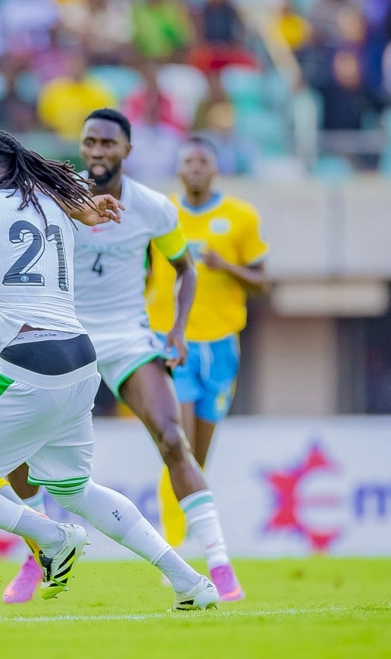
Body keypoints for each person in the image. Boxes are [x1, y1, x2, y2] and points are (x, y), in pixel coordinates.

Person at [0, 129, 218, 611]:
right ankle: (191, 582)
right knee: (74, 486)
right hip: (80, 361)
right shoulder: (50, 206)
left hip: (27, 362)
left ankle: (50, 535)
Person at [1, 109, 244, 605]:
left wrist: (176, 330)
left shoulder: (153, 207)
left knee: (174, 438)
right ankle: (37, 552)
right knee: (17, 445)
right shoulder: (53, 199)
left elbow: (186, 269)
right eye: (89, 142)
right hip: (64, 333)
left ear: (127, 150)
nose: (96, 151)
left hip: (128, 337)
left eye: (108, 143)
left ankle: (219, 565)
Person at [146, 137, 269, 556]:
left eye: (202, 160)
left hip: (221, 347)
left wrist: (226, 266)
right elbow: (141, 273)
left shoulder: (239, 217)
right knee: (173, 441)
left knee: (198, 454)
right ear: (178, 170)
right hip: (172, 342)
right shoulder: (162, 213)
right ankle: (172, 545)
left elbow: (263, 282)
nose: (195, 167)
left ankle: (198, 534)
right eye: (187, 161)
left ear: (214, 168)